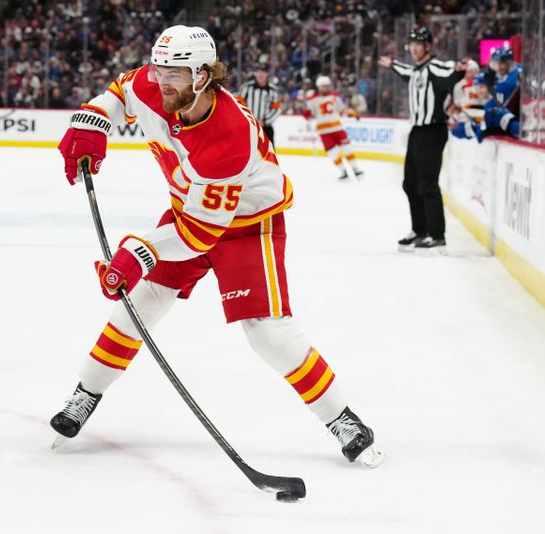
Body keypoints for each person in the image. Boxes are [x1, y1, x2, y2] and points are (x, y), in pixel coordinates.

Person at [52, 25, 385, 468]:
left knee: (267, 334)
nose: (160, 80)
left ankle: (341, 418)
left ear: (203, 76)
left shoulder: (229, 135)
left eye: (174, 73)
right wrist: (91, 122)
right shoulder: (153, 85)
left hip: (247, 226)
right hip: (188, 213)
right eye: (158, 68)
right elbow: (118, 92)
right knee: (139, 305)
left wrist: (138, 253)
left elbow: (199, 236)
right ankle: (85, 394)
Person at [378, 27, 468, 253]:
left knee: (428, 182)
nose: (414, 48)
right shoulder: (417, 70)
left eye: (419, 44)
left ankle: (437, 236)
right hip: (417, 131)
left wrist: (460, 66)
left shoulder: (436, 67)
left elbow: (451, 69)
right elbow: (406, 71)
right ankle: (420, 230)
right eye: (412, 44)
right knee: (410, 183)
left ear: (428, 46)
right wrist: (391, 64)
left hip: (433, 130)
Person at [303, 75, 364, 180]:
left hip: (337, 128)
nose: (325, 88)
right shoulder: (313, 100)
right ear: (319, 87)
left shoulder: (334, 97)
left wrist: (352, 113)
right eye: (323, 86)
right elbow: (310, 116)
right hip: (324, 131)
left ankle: (355, 169)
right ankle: (343, 171)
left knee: (347, 149)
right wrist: (306, 113)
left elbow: (343, 109)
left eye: (327, 86)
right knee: (333, 152)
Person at [450, 73, 519, 142]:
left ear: (491, 88)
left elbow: (514, 128)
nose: (479, 90)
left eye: (482, 87)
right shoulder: (483, 105)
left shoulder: (496, 106)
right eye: (477, 87)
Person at [239, 62, 283, 146]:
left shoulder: (273, 90)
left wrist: (265, 121)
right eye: (257, 71)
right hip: (248, 126)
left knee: (268, 156)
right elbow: (238, 106)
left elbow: (276, 109)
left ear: (267, 73)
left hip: (266, 128)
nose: (260, 74)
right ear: (254, 73)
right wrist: (248, 120)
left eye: (263, 71)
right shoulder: (246, 88)